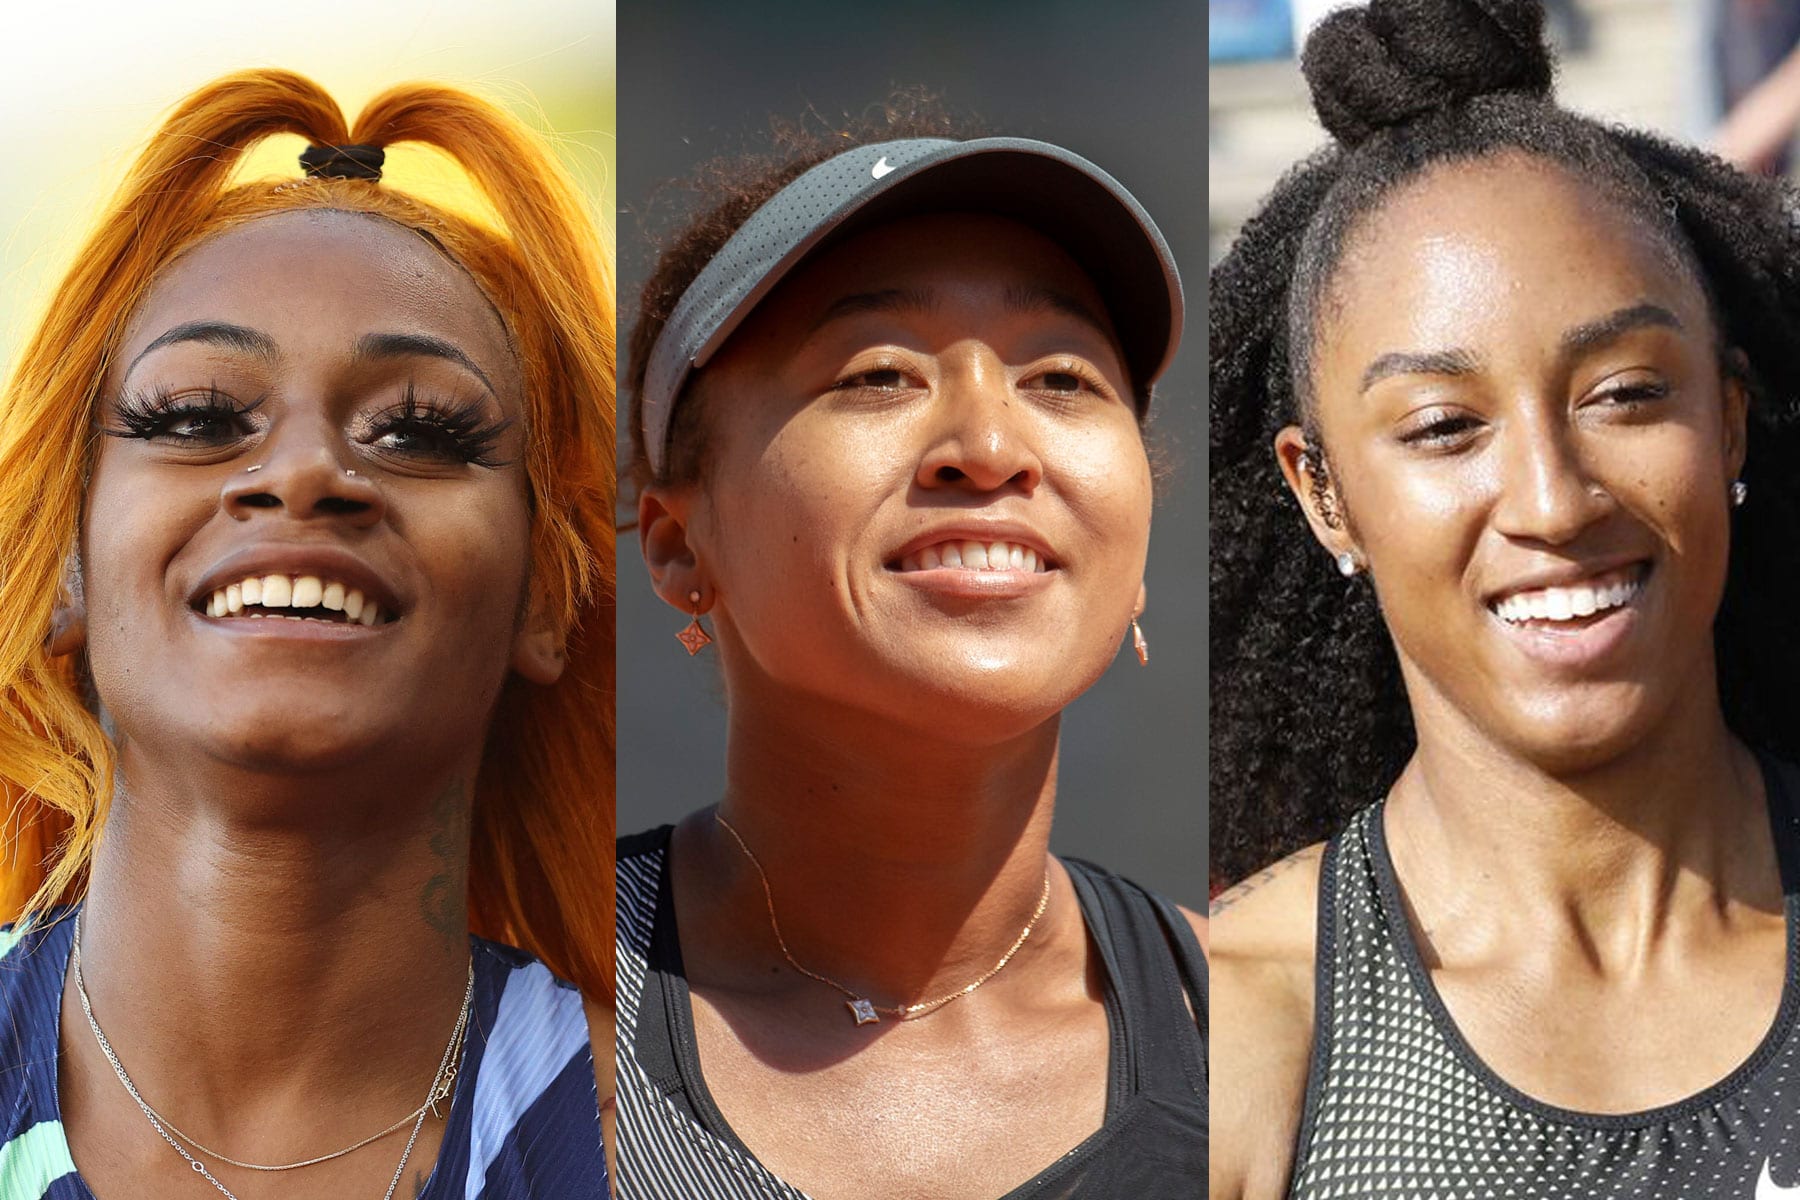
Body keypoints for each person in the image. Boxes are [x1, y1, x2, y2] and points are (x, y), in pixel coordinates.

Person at [1208, 0, 1800, 1196]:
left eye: (1626, 393)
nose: (1551, 497)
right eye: (1443, 427)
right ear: (1323, 496)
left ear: (1727, 419)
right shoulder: (1229, 1038)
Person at [0, 69, 615, 1198]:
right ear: (65, 567)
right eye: (194, 418)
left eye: (422, 433)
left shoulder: (686, 1142)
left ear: (545, 595)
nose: (302, 474)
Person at [615, 106, 1207, 1198]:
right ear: (677, 544)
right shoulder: (512, 1020)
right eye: (878, 375)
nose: (988, 449)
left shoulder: (1259, 1033)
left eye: (1063, 380)